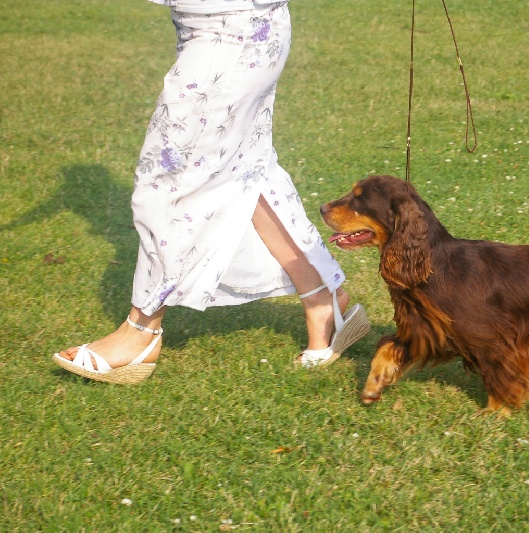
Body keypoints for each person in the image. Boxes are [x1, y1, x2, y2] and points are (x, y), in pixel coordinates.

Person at [53, 0, 370, 383]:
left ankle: (140, 332)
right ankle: (322, 298)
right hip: (228, 27)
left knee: (169, 180)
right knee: (245, 166)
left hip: (230, 31)